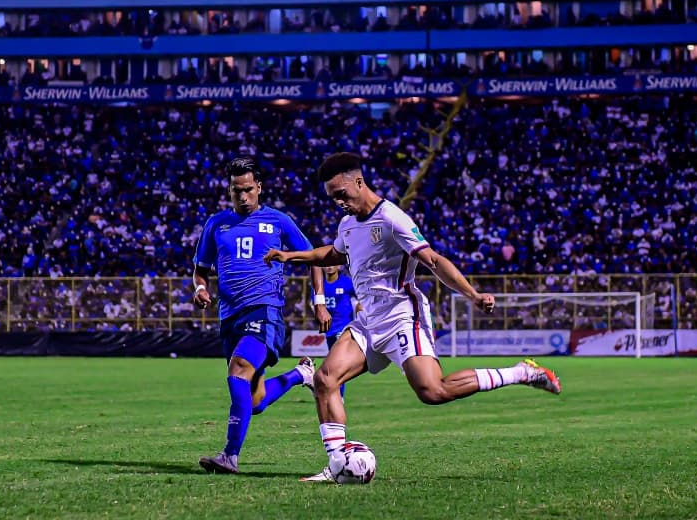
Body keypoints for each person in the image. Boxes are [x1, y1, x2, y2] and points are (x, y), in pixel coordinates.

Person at [264, 152, 561, 483]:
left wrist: (473, 295)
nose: (338, 202)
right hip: (369, 321)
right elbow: (333, 253)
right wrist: (292, 255)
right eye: (333, 197)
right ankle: (337, 465)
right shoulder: (347, 224)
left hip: (402, 317)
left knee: (433, 391)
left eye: (341, 194)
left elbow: (433, 260)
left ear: (359, 182)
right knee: (325, 379)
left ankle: (521, 372)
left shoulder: (392, 219)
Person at [195, 157, 330, 475]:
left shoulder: (278, 221)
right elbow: (201, 270)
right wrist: (200, 289)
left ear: (259, 187)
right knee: (253, 400)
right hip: (229, 317)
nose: (242, 196)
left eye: (248, 189)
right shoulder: (216, 224)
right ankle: (300, 375)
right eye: (236, 190)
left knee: (239, 369)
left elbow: (313, 257)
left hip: (264, 311)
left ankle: (229, 456)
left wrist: (319, 301)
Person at [319, 266, 358, 397]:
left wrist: (361, 306)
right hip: (329, 329)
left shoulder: (347, 282)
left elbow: (361, 296)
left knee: (337, 365)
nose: (329, 266)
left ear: (339, 266)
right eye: (326, 264)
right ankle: (330, 391)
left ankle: (338, 397)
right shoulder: (319, 285)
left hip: (343, 328)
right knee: (333, 364)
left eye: (333, 264)